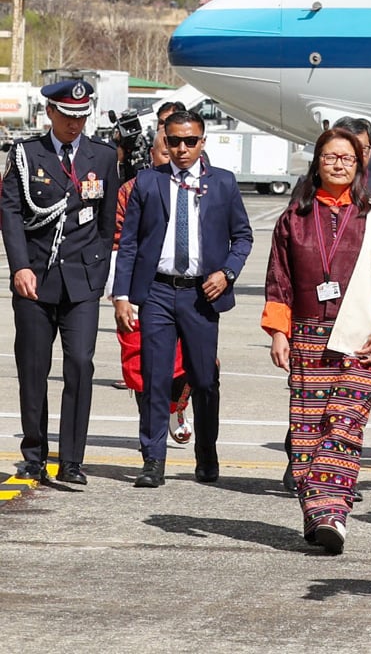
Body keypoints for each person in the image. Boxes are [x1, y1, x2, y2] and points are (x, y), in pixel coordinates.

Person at [263, 127, 371, 553]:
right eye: (330, 157)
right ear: (317, 163)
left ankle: (332, 515)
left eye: (347, 157)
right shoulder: (293, 219)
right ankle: (316, 513)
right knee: (308, 435)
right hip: (308, 338)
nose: (339, 164)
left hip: (361, 339)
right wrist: (279, 332)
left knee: (344, 425)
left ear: (359, 164)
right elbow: (279, 280)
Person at [113, 108, 253, 487]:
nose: (182, 149)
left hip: (201, 294)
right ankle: (153, 459)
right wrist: (122, 294)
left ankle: (206, 453)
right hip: (157, 292)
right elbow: (129, 243)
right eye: (174, 141)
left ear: (202, 142)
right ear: (165, 142)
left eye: (190, 141)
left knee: (204, 379)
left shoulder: (222, 183)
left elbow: (243, 237)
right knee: (155, 378)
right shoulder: (148, 182)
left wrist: (226, 273)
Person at [1, 79, 119, 484]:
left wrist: (98, 270)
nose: (75, 124)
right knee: (34, 369)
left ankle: (71, 459)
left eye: (82, 116)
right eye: (68, 116)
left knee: (81, 365)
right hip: (36, 278)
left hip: (82, 281)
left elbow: (106, 222)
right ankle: (34, 454)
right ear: (50, 112)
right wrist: (20, 266)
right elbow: (10, 213)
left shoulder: (103, 156)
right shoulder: (26, 155)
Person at [110, 130, 196, 450]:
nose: (175, 154)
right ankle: (152, 434)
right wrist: (121, 295)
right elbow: (119, 242)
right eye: (166, 149)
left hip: (186, 291)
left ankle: (175, 406)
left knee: (190, 361)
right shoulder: (131, 190)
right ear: (152, 155)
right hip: (140, 291)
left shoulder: (204, 187)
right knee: (140, 366)